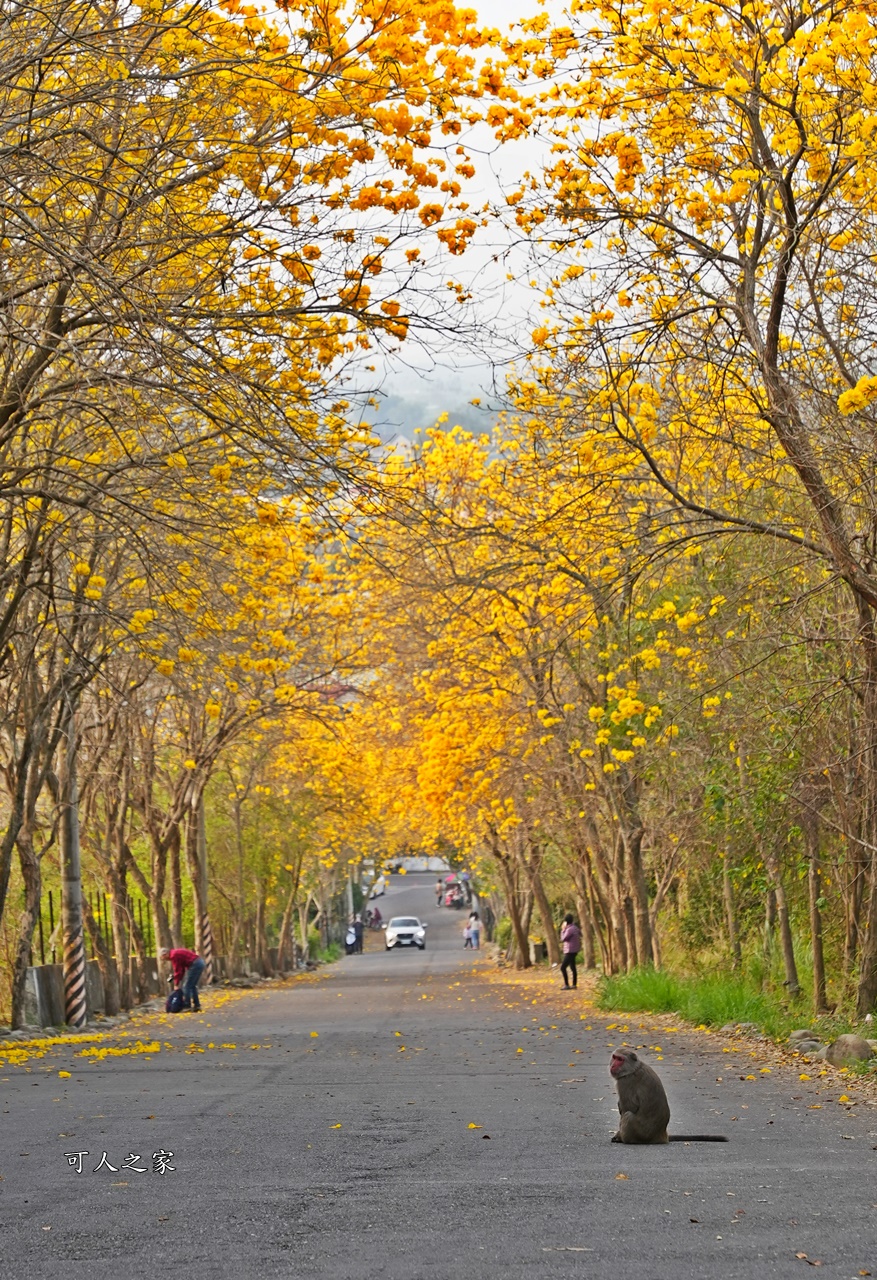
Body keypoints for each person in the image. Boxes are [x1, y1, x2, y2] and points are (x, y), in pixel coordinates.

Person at [159, 946, 205, 1012]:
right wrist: (178, 979)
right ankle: (197, 1005)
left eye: (163, 958)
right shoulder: (175, 953)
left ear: (165, 954)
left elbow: (178, 971)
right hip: (198, 963)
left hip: (195, 964)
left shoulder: (174, 955)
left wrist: (176, 984)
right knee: (191, 986)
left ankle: (187, 1006)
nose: (164, 960)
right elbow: (181, 970)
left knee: (186, 986)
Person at [559, 914, 582, 990]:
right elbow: (580, 934)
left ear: (566, 921)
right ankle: (574, 984)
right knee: (572, 967)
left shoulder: (569, 929)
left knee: (563, 967)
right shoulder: (575, 928)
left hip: (570, 950)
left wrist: (563, 930)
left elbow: (563, 939)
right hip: (575, 950)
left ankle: (566, 985)